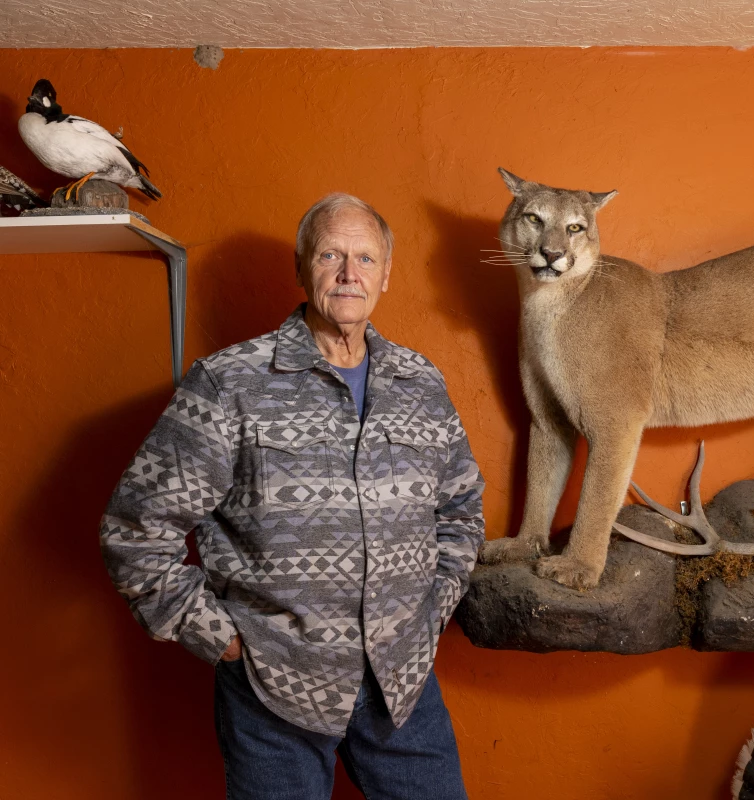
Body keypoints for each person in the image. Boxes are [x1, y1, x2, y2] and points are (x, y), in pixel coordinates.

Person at [100, 193, 484, 799]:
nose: (350, 273)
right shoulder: (229, 382)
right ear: (302, 267)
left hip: (402, 684)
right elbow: (135, 530)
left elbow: (461, 511)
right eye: (331, 255)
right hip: (273, 689)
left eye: (366, 258)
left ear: (387, 274)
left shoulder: (421, 382)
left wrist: (431, 611)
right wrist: (223, 640)